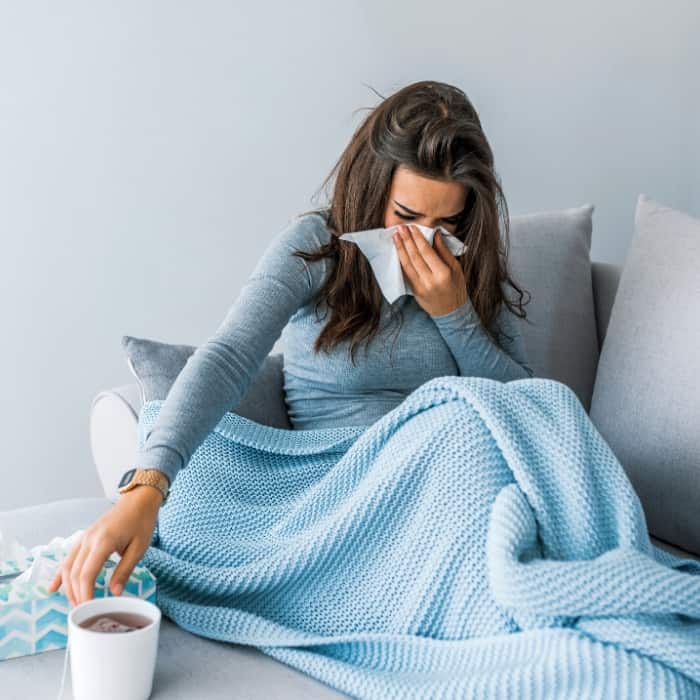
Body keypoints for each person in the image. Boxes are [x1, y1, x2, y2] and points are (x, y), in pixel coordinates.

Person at [48, 79, 533, 607]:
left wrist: (455, 313)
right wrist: (147, 484)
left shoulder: (471, 264)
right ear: (374, 189)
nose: (422, 240)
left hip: (440, 475)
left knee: (504, 436)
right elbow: (229, 355)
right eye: (407, 217)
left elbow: (528, 410)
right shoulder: (316, 247)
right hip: (336, 484)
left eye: (446, 222)